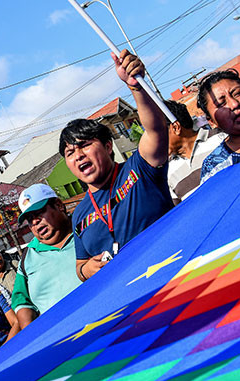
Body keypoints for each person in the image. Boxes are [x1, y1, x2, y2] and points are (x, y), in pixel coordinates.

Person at [63, 50, 172, 282]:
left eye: (84, 146)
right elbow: (80, 265)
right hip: (130, 297)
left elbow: (155, 130)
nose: (78, 156)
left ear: (108, 145)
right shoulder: (79, 215)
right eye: (70, 153)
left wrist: (136, 87)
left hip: (174, 270)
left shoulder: (139, 169)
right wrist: (86, 271)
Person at [11, 184, 82, 329]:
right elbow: (21, 301)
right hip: (63, 340)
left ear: (59, 205)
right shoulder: (28, 256)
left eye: (39, 213)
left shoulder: (86, 229)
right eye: (30, 219)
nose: (35, 222)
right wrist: (33, 334)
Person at [164, 100, 226, 203]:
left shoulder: (221, 139)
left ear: (176, 128)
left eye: (157, 133)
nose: (153, 142)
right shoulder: (168, 172)